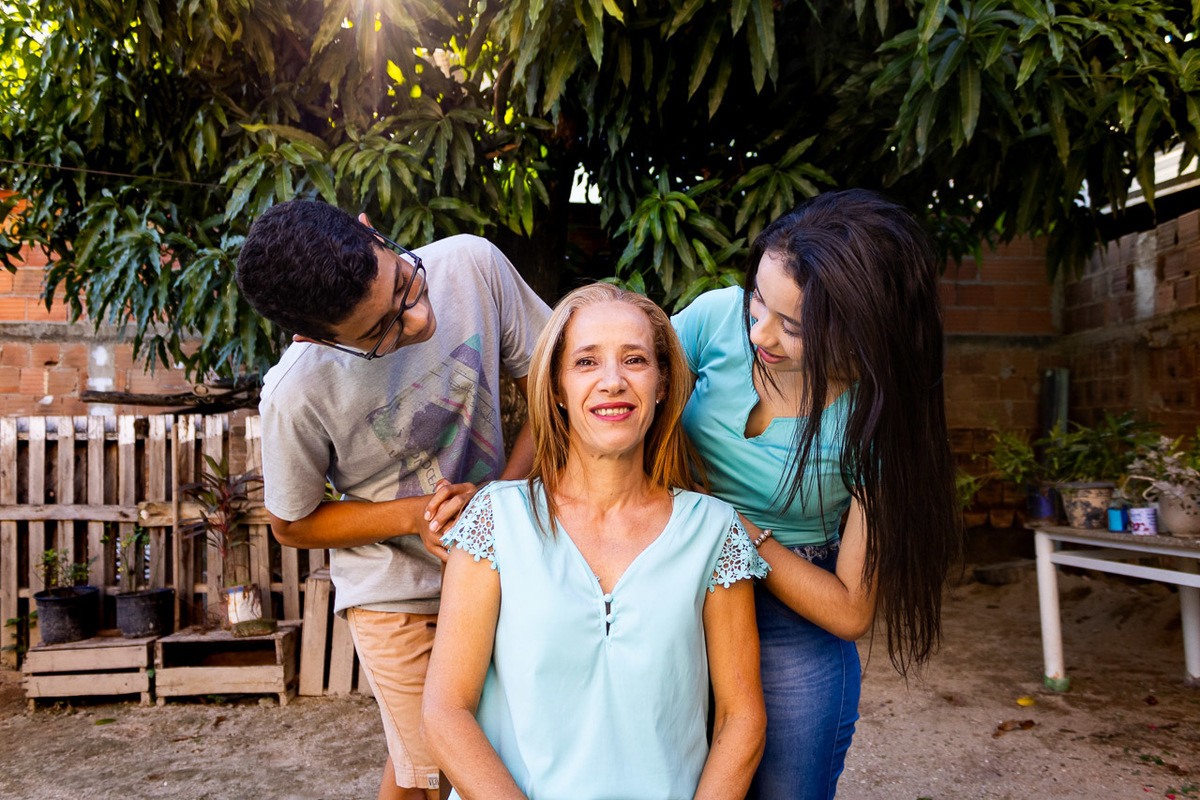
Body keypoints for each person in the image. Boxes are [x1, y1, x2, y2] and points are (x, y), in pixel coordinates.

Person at [235, 199, 551, 800]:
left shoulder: (470, 264)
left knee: (429, 763)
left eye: (406, 283)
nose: (421, 320)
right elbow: (292, 524)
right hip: (396, 593)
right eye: (381, 331)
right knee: (452, 767)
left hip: (500, 572)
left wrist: (503, 495)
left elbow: (554, 381)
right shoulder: (294, 394)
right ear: (312, 338)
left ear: (371, 231)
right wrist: (414, 516)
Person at [421, 283, 769, 800]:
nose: (613, 382)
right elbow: (445, 710)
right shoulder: (496, 519)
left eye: (634, 360)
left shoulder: (713, 531)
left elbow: (741, 720)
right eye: (586, 362)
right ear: (557, 387)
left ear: (662, 384)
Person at [671, 189, 961, 800]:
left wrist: (732, 529)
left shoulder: (878, 417)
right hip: (674, 582)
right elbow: (602, 383)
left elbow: (851, 609)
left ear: (861, 331)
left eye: (794, 326)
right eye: (757, 301)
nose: (760, 333)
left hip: (791, 606)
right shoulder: (713, 319)